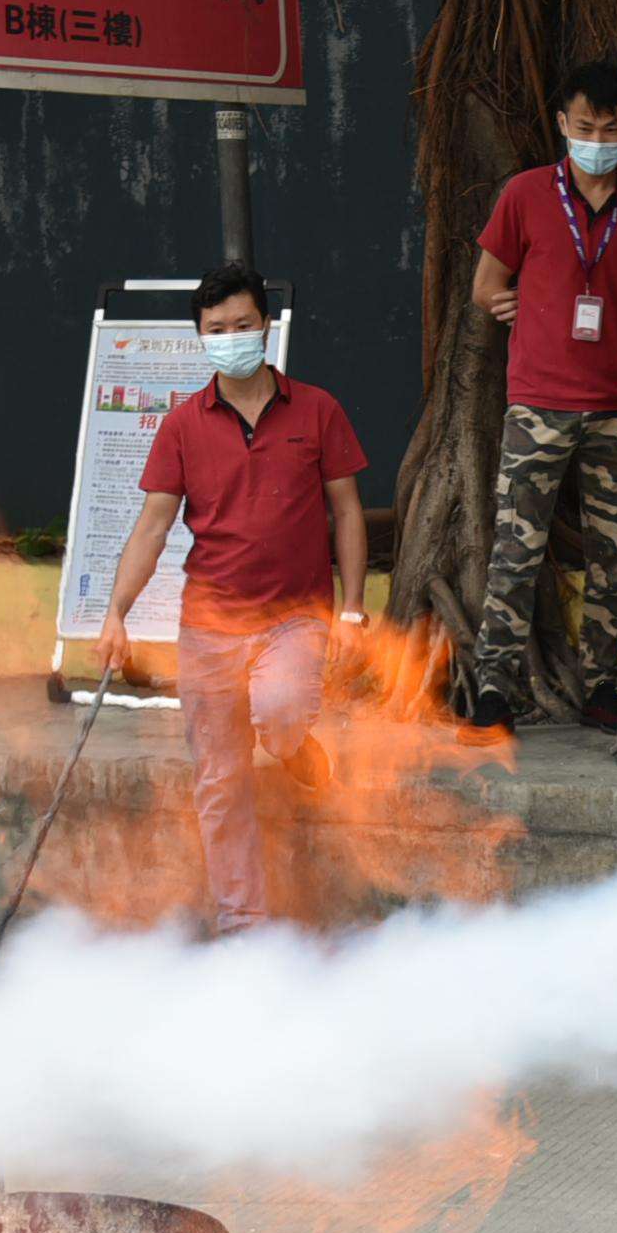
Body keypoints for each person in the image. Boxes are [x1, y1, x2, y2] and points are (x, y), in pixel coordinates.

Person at [97, 262, 368, 937]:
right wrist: (116, 612)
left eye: (243, 325)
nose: (232, 337)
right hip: (209, 627)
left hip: (295, 617)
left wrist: (355, 609)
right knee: (220, 783)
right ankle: (243, 925)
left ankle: (293, 743)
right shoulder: (184, 425)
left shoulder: (318, 409)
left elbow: (348, 512)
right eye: (217, 329)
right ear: (201, 338)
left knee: (277, 713)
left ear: (265, 327)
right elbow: (153, 525)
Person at [464, 62, 617, 737]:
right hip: (538, 402)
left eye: (608, 126)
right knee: (516, 550)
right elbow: (486, 286)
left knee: (614, 552)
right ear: (561, 126)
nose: (595, 137)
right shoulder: (524, 194)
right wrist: (508, 301)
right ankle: (494, 689)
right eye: (582, 126)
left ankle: (604, 685)